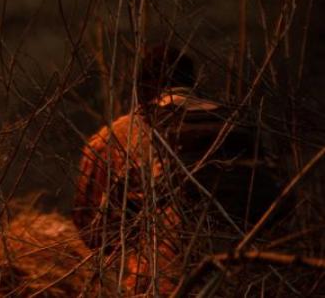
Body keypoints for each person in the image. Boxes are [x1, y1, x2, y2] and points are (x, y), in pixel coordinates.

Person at [73, 44, 280, 292]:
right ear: (192, 83)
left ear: (143, 86)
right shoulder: (243, 125)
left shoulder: (121, 134)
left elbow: (89, 227)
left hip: (166, 281)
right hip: (252, 276)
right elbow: (281, 203)